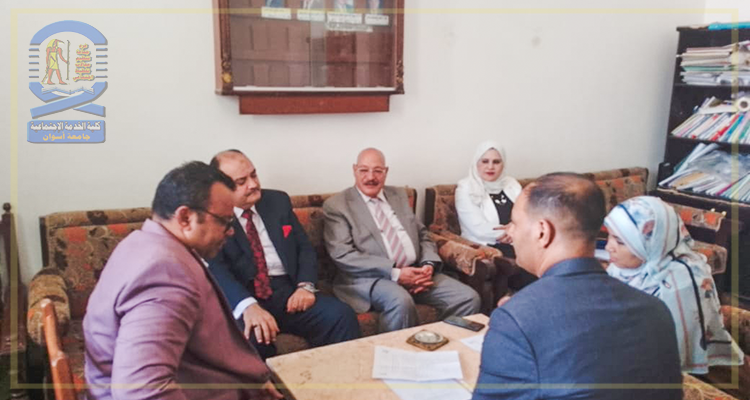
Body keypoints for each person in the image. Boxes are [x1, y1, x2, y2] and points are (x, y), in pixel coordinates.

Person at [473, 173, 682, 400]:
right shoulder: (656, 309)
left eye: (515, 223)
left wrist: (519, 318)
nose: (510, 232)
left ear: (542, 232)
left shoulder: (516, 319)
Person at [84, 162, 281, 400]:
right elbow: (141, 391)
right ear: (185, 217)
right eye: (225, 222)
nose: (230, 232)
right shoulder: (164, 274)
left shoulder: (140, 243)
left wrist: (253, 382)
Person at [208, 150, 361, 359]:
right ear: (221, 188)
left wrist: (305, 286)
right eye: (242, 181)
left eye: (254, 175)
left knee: (340, 315)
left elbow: (304, 248)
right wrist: (248, 306)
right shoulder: (212, 216)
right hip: (247, 294)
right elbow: (216, 269)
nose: (253, 184)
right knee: (254, 337)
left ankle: (338, 378)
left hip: (288, 292)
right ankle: (274, 383)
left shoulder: (277, 201)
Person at [323, 148, 481, 332]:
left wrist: (428, 265)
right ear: (354, 170)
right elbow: (343, 255)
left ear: (386, 172)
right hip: (371, 278)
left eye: (377, 171)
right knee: (400, 301)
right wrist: (396, 274)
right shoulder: (338, 205)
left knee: (467, 298)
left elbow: (423, 234)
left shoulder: (398, 195)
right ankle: (395, 351)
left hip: (416, 271)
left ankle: (440, 345)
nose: (370, 177)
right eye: (364, 170)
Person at [604, 196, 744, 374]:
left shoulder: (681, 284)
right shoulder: (621, 268)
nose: (608, 247)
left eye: (620, 241)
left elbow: (671, 355)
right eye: (609, 236)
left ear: (651, 244)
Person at [455, 141, 536, 297]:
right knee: (529, 272)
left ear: (503, 164)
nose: (490, 167)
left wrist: (517, 231)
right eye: (485, 161)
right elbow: (477, 227)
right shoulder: (466, 188)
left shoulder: (511, 184)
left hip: (518, 239)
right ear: (476, 163)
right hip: (488, 243)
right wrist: (514, 232)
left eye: (496, 162)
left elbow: (528, 214)